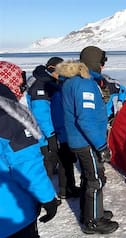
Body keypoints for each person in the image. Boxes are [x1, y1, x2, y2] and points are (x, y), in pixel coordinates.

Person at [57, 46, 118, 234]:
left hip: (80, 139)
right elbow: (86, 119)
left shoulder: (74, 81)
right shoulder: (84, 84)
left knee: (88, 177)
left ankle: (90, 211)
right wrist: (101, 146)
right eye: (102, 62)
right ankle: (93, 221)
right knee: (96, 179)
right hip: (87, 141)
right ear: (95, 62)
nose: (103, 66)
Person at [0, 61, 58, 237]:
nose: (22, 87)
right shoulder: (10, 115)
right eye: (19, 82)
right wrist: (48, 199)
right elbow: (27, 166)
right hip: (12, 214)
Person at [26, 57, 80, 201]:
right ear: (51, 69)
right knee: (47, 164)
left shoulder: (49, 82)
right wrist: (50, 135)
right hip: (45, 134)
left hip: (57, 130)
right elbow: (40, 113)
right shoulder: (41, 85)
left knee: (65, 159)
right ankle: (47, 197)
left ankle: (67, 189)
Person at [80, 46, 126, 124]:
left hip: (107, 120)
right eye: (102, 64)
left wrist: (120, 101)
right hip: (90, 124)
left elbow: (122, 89)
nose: (103, 67)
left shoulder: (107, 82)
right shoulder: (79, 84)